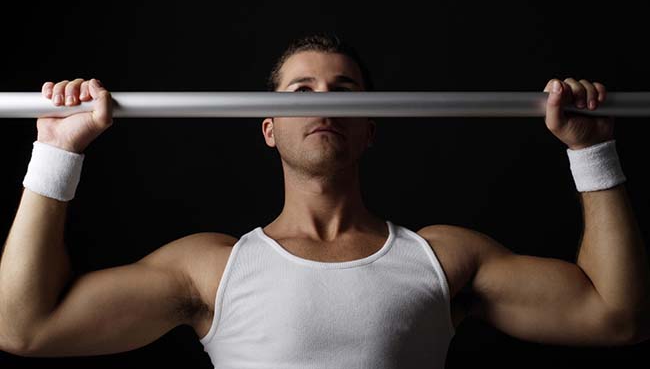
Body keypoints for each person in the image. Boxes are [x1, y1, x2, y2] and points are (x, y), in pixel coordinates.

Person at [0, 33, 648, 369]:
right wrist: (56, 152)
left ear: (370, 128)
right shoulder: (210, 269)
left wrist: (591, 150)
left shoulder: (444, 258)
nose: (324, 102)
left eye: (345, 90)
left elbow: (616, 316)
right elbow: (25, 329)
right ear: (268, 128)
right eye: (300, 91)